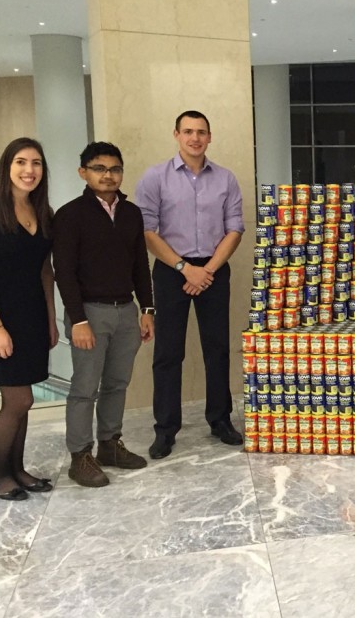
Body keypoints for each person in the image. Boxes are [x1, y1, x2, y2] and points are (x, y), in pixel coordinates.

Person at [136, 110, 245, 459]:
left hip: (214, 269)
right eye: (188, 131)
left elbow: (235, 229)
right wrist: (185, 268)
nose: (194, 138)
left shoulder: (225, 179)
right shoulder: (155, 178)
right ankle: (165, 430)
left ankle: (220, 420)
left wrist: (207, 270)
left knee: (218, 349)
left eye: (201, 132)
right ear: (176, 135)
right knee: (168, 353)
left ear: (210, 137)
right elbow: (147, 231)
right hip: (171, 270)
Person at [53, 142, 155, 487]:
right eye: (99, 168)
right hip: (89, 315)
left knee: (117, 384)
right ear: (83, 172)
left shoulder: (131, 213)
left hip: (126, 311)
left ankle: (109, 445)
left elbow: (140, 263)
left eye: (114, 169)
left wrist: (147, 309)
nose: (108, 175)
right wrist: (77, 320)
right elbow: (63, 271)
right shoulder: (69, 215)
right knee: (85, 388)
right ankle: (80, 455)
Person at [0, 138, 59, 500]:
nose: (29, 170)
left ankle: (18, 469)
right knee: (17, 400)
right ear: (8, 167)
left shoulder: (41, 212)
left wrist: (51, 320)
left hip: (32, 315)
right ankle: (1, 474)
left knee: (25, 400)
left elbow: (46, 273)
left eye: (36, 163)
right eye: (21, 162)